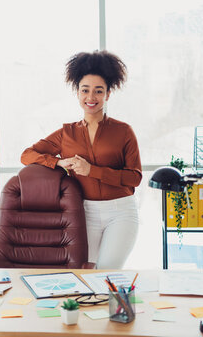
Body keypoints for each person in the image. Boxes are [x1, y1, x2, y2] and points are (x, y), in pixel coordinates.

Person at [20, 50, 142, 269]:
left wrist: (91, 170)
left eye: (98, 91)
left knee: (105, 273)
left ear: (108, 94)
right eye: (85, 90)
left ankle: (119, 303)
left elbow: (134, 178)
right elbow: (27, 155)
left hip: (121, 212)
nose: (91, 97)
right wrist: (58, 162)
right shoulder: (66, 134)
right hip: (85, 213)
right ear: (77, 93)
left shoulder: (124, 131)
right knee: (86, 273)